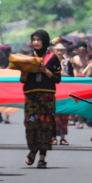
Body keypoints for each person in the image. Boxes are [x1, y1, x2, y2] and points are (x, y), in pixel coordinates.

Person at [22, 29, 61, 168]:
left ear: (45, 41)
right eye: (34, 40)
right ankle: (32, 150)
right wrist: (27, 69)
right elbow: (22, 80)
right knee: (31, 124)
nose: (36, 42)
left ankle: (42, 158)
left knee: (46, 125)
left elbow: (57, 79)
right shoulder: (27, 58)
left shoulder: (52, 57)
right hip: (31, 96)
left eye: (38, 40)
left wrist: (45, 70)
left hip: (47, 96)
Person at [51, 42, 70, 145]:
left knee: (64, 115)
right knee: (54, 115)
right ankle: (53, 137)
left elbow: (71, 76)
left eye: (61, 50)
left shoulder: (67, 63)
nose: (59, 52)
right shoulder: (50, 61)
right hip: (53, 90)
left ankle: (63, 137)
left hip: (65, 91)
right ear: (54, 50)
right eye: (57, 50)